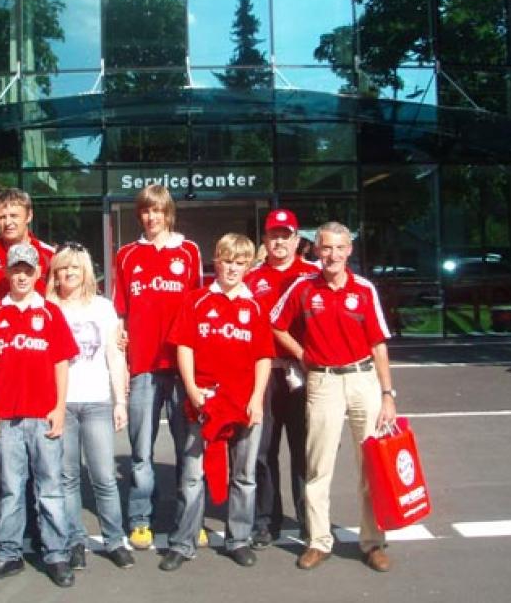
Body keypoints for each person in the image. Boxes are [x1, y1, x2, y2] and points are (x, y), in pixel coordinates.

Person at [270, 222, 397, 574]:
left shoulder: (364, 289)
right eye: (326, 248)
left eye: (339, 248)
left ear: (349, 250)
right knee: (317, 466)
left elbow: (379, 345)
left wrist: (388, 394)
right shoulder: (304, 288)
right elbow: (276, 324)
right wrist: (302, 354)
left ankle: (373, 542)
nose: (332, 255)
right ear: (315, 250)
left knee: (370, 466)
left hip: (362, 380)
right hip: (323, 382)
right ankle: (319, 541)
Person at [160, 233, 273, 572]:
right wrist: (192, 388)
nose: (232, 268)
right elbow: (185, 347)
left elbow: (263, 357)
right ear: (216, 261)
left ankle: (238, 539)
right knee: (193, 476)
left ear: (248, 265)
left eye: (240, 263)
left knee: (244, 474)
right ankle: (183, 543)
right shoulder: (195, 301)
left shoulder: (254, 306)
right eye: (227, 261)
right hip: (205, 400)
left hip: (243, 402)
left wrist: (257, 399)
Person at [0, 244, 78, 589]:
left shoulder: (49, 312)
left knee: (50, 488)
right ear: (7, 272)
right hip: (7, 417)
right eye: (15, 269)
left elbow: (61, 363)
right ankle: (8, 553)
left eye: (28, 270)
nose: (21, 275)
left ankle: (57, 554)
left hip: (43, 415)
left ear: (37, 274)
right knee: (10, 490)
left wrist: (59, 407)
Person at [114, 183, 203, 551]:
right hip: (144, 366)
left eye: (158, 211)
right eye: (146, 211)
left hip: (181, 367)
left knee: (188, 449)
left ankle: (189, 521)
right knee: (141, 451)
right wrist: (120, 342)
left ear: (169, 213)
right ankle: (140, 520)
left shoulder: (189, 252)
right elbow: (120, 313)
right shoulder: (126, 255)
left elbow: (200, 308)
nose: (152, 217)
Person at [0, 187, 55, 524]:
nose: (7, 221)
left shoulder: (47, 254)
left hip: (35, 362)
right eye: (2, 216)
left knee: (38, 439)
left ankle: (36, 514)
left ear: (28, 216)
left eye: (14, 215)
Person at [48, 241, 135, 570]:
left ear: (86, 272)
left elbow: (115, 355)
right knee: (67, 477)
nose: (69, 273)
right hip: (61, 404)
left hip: (97, 400)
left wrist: (120, 401)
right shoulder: (47, 306)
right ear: (54, 273)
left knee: (103, 477)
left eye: (75, 267)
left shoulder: (102, 307)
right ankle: (75, 541)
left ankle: (115, 540)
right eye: (63, 267)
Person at [244, 209, 319, 547]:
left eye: (285, 235)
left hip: (302, 371)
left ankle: (308, 521)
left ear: (296, 239)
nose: (279, 241)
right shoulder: (252, 278)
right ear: (265, 238)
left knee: (303, 450)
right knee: (263, 451)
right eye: (273, 234)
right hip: (265, 372)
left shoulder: (312, 275)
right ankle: (265, 521)